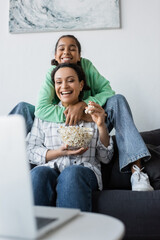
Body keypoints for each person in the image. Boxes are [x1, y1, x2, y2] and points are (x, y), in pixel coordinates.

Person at [10, 34, 153, 191]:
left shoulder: (87, 66)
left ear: (79, 56)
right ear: (55, 56)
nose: (66, 52)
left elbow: (108, 91)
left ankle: (137, 172)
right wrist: (72, 115)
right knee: (22, 108)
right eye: (61, 49)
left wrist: (83, 106)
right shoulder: (52, 73)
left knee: (117, 100)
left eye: (73, 49)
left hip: (94, 119)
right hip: (62, 121)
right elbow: (42, 109)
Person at [26, 63, 114, 211]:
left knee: (71, 174)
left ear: (81, 85)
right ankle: (35, 232)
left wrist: (101, 126)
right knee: (38, 174)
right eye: (59, 82)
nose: (64, 86)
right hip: (50, 167)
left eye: (70, 80)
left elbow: (106, 157)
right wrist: (60, 153)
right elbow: (30, 150)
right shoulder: (45, 115)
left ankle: (74, 233)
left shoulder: (92, 112)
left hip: (83, 170)